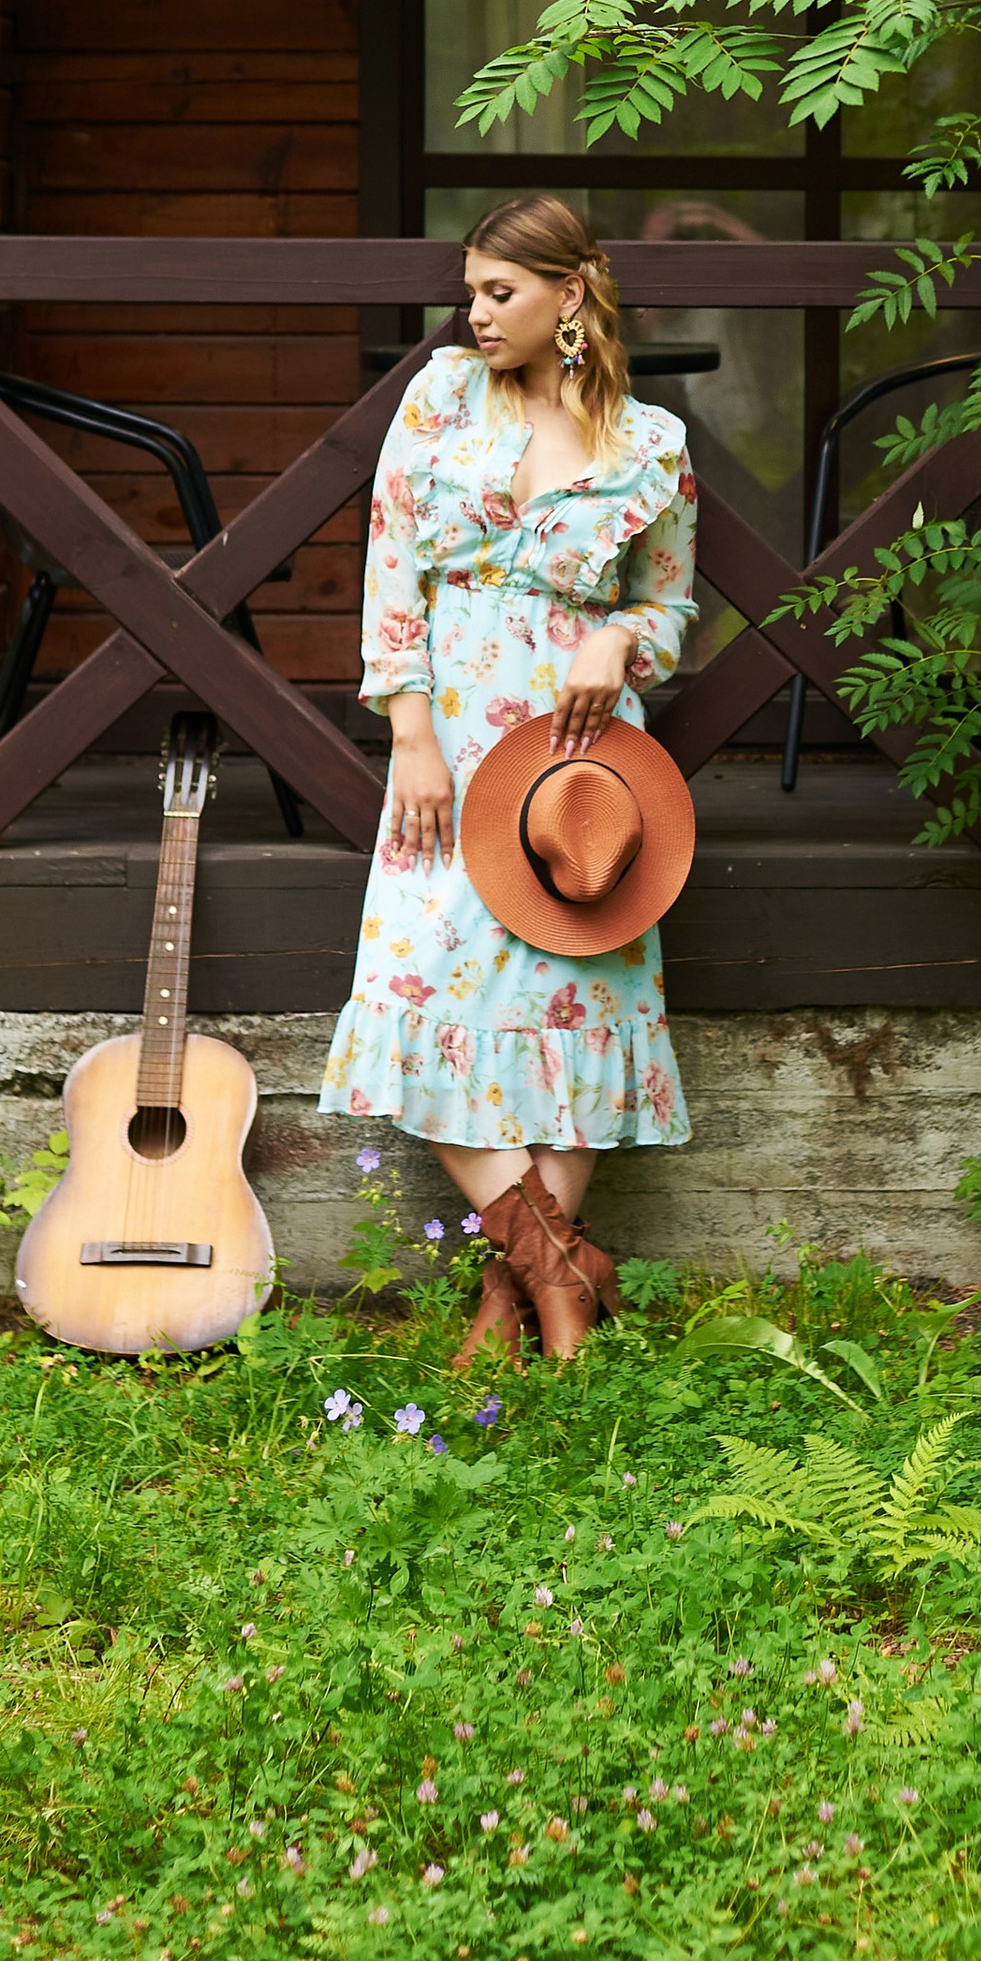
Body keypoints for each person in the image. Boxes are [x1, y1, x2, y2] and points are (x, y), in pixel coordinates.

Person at [321, 193, 696, 1360]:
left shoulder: (654, 446)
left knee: (570, 998)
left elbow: (673, 605)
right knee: (416, 988)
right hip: (454, 727)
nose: (475, 313)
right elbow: (392, 572)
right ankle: (563, 1274)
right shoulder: (436, 397)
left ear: (570, 295)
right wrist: (412, 735)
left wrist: (616, 635)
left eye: (501, 292)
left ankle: (519, 1288)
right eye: (471, 290)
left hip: (581, 756)